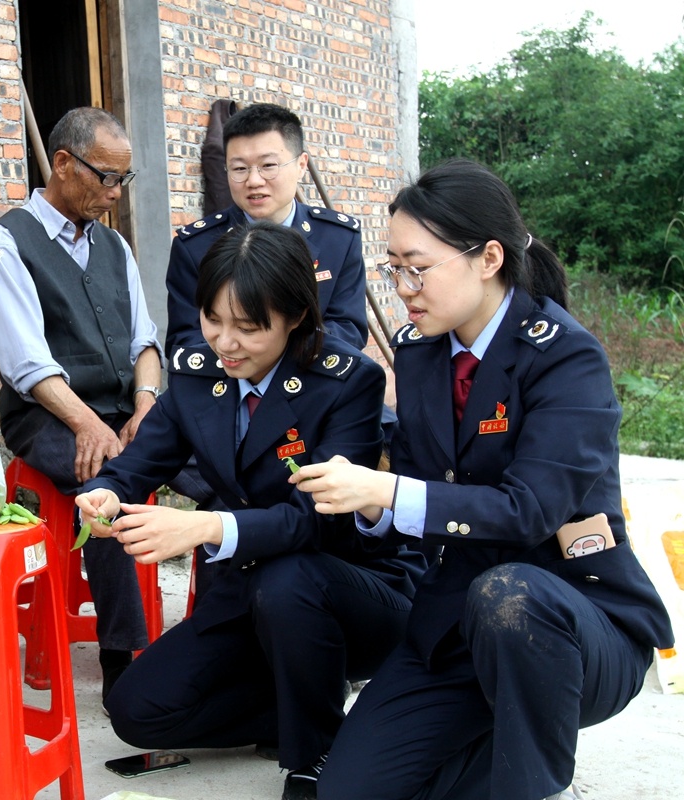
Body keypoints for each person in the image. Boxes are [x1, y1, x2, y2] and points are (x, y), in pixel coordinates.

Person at [293, 159, 675, 800]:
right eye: (394, 267)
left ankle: (529, 779)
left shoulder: (565, 357)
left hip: (574, 623)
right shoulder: (420, 354)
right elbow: (418, 492)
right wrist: (363, 498)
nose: (403, 287)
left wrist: (388, 492)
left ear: (488, 257)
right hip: (456, 625)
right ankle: (495, 744)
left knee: (511, 594)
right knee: (348, 791)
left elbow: (529, 511)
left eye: (418, 266)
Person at [75, 222, 423, 800]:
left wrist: (205, 526)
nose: (226, 342)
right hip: (253, 586)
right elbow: (142, 460)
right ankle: (299, 710)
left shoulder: (346, 383)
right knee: (137, 711)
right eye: (214, 319)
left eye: (249, 327)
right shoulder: (196, 373)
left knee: (289, 581)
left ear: (295, 318)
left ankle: (314, 756)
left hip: (353, 589)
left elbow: (320, 519)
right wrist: (108, 491)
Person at [0, 106, 163, 700]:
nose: (114, 193)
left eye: (123, 180)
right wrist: (86, 423)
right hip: (45, 417)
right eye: (105, 177)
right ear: (61, 163)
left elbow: (144, 342)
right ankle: (123, 663)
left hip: (124, 412)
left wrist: (147, 405)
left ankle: (237, 628)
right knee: (107, 490)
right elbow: (26, 363)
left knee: (226, 462)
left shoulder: (114, 248)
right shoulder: (7, 242)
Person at [166, 102, 368, 354]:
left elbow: (349, 329)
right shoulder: (195, 246)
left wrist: (276, 355)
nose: (253, 180)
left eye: (268, 166)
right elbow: (186, 341)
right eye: (239, 169)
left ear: (301, 165)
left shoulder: (338, 239)